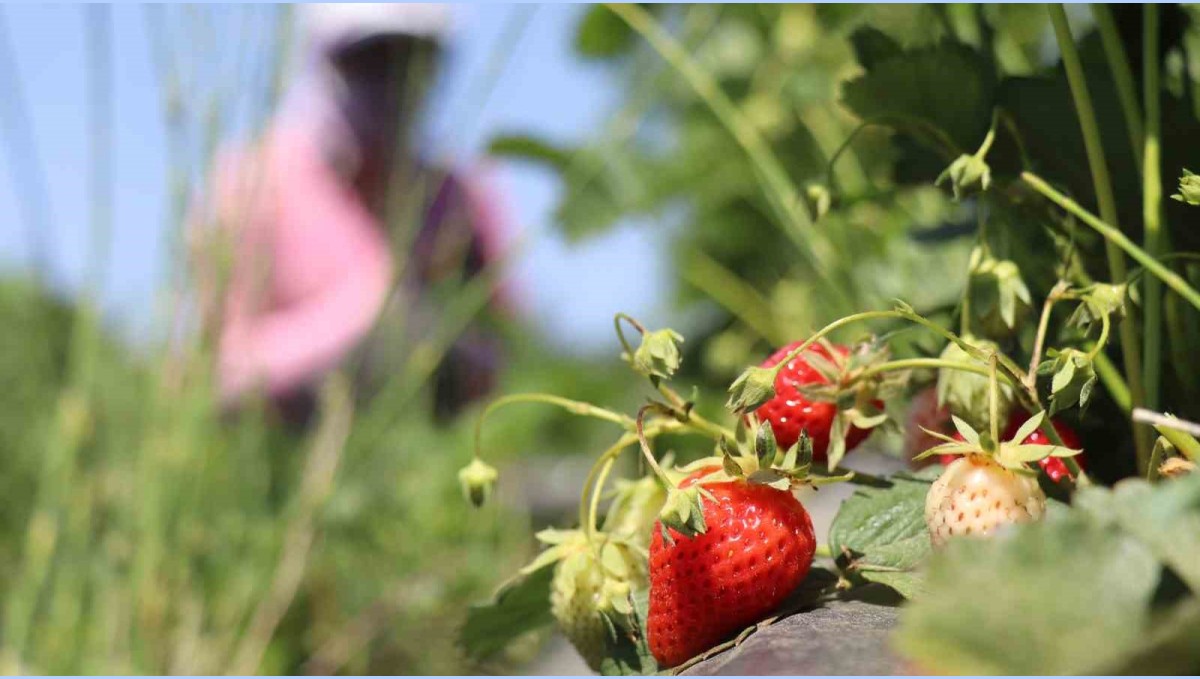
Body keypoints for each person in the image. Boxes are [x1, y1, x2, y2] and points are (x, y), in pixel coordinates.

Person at [191, 4, 511, 426]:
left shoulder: (461, 197)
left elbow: (508, 350)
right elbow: (213, 376)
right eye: (370, 59)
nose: (393, 82)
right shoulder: (250, 183)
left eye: (413, 60)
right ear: (325, 62)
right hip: (283, 444)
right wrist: (368, 310)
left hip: (431, 443)